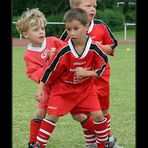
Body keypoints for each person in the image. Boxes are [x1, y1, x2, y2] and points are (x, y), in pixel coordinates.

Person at [34, 8, 109, 148]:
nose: (72, 33)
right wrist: (40, 88)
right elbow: (50, 70)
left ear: (86, 27)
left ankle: (103, 145)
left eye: (76, 28)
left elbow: (103, 64)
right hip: (63, 90)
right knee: (51, 116)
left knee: (98, 115)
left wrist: (88, 73)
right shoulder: (64, 51)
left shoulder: (94, 48)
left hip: (86, 90)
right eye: (68, 29)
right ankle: (38, 145)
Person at [60, 0, 119, 147]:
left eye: (94, 6)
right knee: (84, 113)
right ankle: (92, 143)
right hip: (81, 81)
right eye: (88, 6)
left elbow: (112, 46)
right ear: (75, 7)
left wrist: (98, 47)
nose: (92, 9)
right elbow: (62, 52)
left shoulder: (100, 26)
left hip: (101, 76)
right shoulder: (70, 31)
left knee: (103, 110)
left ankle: (106, 141)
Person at [16, 8, 65, 148]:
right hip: (48, 88)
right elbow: (36, 74)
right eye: (36, 29)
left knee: (80, 114)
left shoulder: (54, 41)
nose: (41, 31)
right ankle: (33, 143)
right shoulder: (28, 55)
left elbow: (69, 54)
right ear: (26, 34)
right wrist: (50, 62)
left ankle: (100, 138)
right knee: (40, 112)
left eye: (42, 28)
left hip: (65, 85)